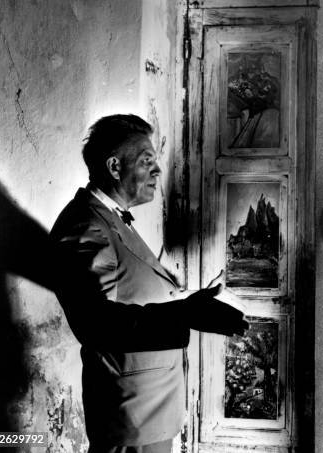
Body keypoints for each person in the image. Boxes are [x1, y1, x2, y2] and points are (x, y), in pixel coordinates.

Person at [50, 114, 248, 453]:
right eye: (147, 161)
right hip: (131, 417)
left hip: (147, 410)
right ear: (115, 166)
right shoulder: (87, 227)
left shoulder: (111, 220)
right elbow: (95, 323)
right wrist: (186, 314)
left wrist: (193, 300)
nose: (158, 171)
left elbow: (133, 295)